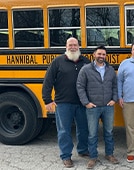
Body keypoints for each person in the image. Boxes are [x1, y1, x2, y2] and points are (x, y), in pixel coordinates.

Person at [42, 37, 90, 168]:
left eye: (75, 45)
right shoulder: (57, 62)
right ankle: (66, 156)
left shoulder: (85, 61)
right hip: (63, 103)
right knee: (64, 131)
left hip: (82, 102)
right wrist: (47, 100)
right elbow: (48, 81)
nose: (73, 47)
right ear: (66, 46)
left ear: (79, 46)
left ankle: (83, 150)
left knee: (84, 128)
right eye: (70, 45)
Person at [76, 45, 119, 169]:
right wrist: (86, 103)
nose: (101, 56)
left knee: (109, 132)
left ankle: (109, 154)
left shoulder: (110, 70)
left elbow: (115, 86)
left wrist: (114, 99)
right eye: (99, 54)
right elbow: (80, 86)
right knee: (92, 133)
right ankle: (93, 157)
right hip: (92, 107)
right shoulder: (86, 69)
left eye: (104, 54)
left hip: (108, 106)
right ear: (94, 55)